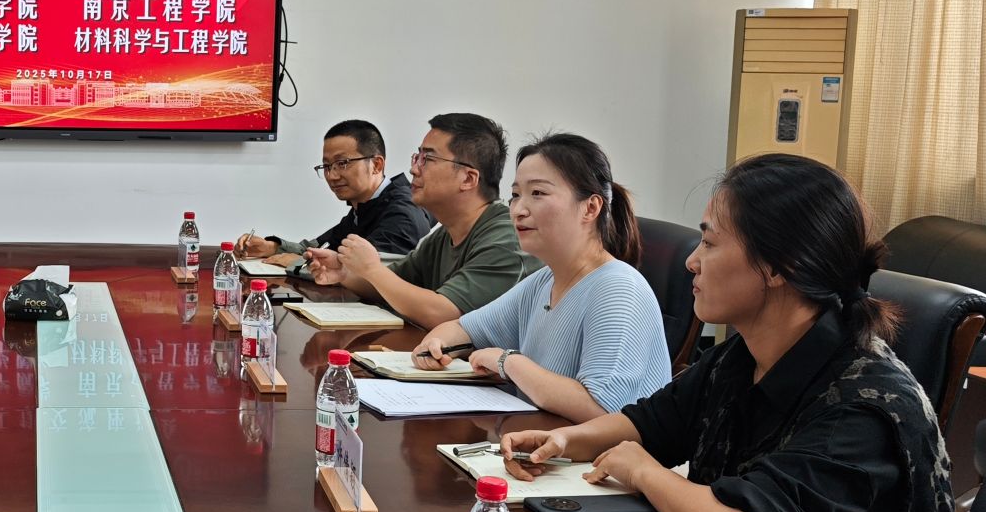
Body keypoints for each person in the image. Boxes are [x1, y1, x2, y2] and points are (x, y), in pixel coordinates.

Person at [499, 153, 986, 512]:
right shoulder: (746, 354)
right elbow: (653, 422)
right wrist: (565, 441)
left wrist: (643, 472)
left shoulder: (863, 405)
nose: (692, 261)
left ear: (780, 266)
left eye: (710, 243)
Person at [412, 133, 671, 420]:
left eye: (537, 193)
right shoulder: (545, 280)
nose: (518, 210)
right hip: (540, 439)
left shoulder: (619, 289)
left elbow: (601, 409)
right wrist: (437, 345)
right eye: (515, 195)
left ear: (590, 208)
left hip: (598, 449)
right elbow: (463, 329)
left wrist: (508, 362)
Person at [306, 113, 533, 327]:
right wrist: (345, 273)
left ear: (468, 178)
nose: (413, 169)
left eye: (428, 159)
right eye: (417, 157)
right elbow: (393, 284)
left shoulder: (507, 238)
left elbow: (444, 313)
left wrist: (372, 270)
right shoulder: (445, 234)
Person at [234, 119, 432, 267]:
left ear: (376, 165)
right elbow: (321, 247)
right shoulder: (364, 207)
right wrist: (274, 247)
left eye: (342, 163)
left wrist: (298, 263)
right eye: (327, 166)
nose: (332, 176)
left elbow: (369, 273)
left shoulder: (402, 213)